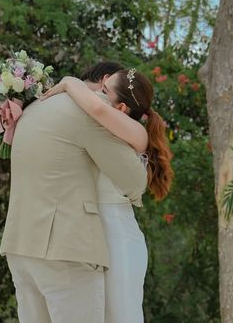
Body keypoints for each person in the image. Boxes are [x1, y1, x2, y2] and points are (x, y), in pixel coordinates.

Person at [0, 64, 148, 323]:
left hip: (20, 247)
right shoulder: (89, 114)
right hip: (65, 252)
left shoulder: (35, 107)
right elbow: (134, 182)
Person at [41, 65, 174, 323]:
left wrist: (69, 82)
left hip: (119, 242)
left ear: (122, 109)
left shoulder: (135, 132)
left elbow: (97, 108)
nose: (95, 92)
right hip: (98, 240)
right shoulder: (104, 130)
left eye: (103, 89)